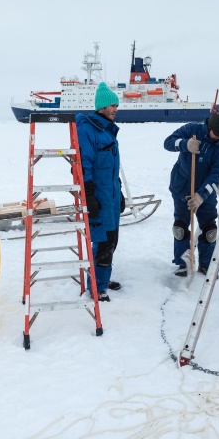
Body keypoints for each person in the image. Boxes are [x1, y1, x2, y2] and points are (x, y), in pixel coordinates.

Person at [163, 113, 219, 276]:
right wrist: (185, 144)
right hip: (181, 187)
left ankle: (206, 266)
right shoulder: (192, 129)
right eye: (217, 134)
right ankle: (182, 264)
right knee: (180, 226)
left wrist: (201, 196)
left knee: (209, 231)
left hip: (205, 193)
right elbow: (167, 142)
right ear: (209, 128)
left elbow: (217, 175)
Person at [76, 82, 124, 302]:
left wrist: (120, 191)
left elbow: (113, 168)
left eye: (116, 105)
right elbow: (83, 163)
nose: (115, 109)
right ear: (102, 107)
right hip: (98, 195)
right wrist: (88, 193)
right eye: (112, 105)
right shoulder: (88, 129)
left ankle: (103, 280)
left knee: (112, 239)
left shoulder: (108, 131)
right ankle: (97, 287)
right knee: (102, 240)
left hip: (111, 194)